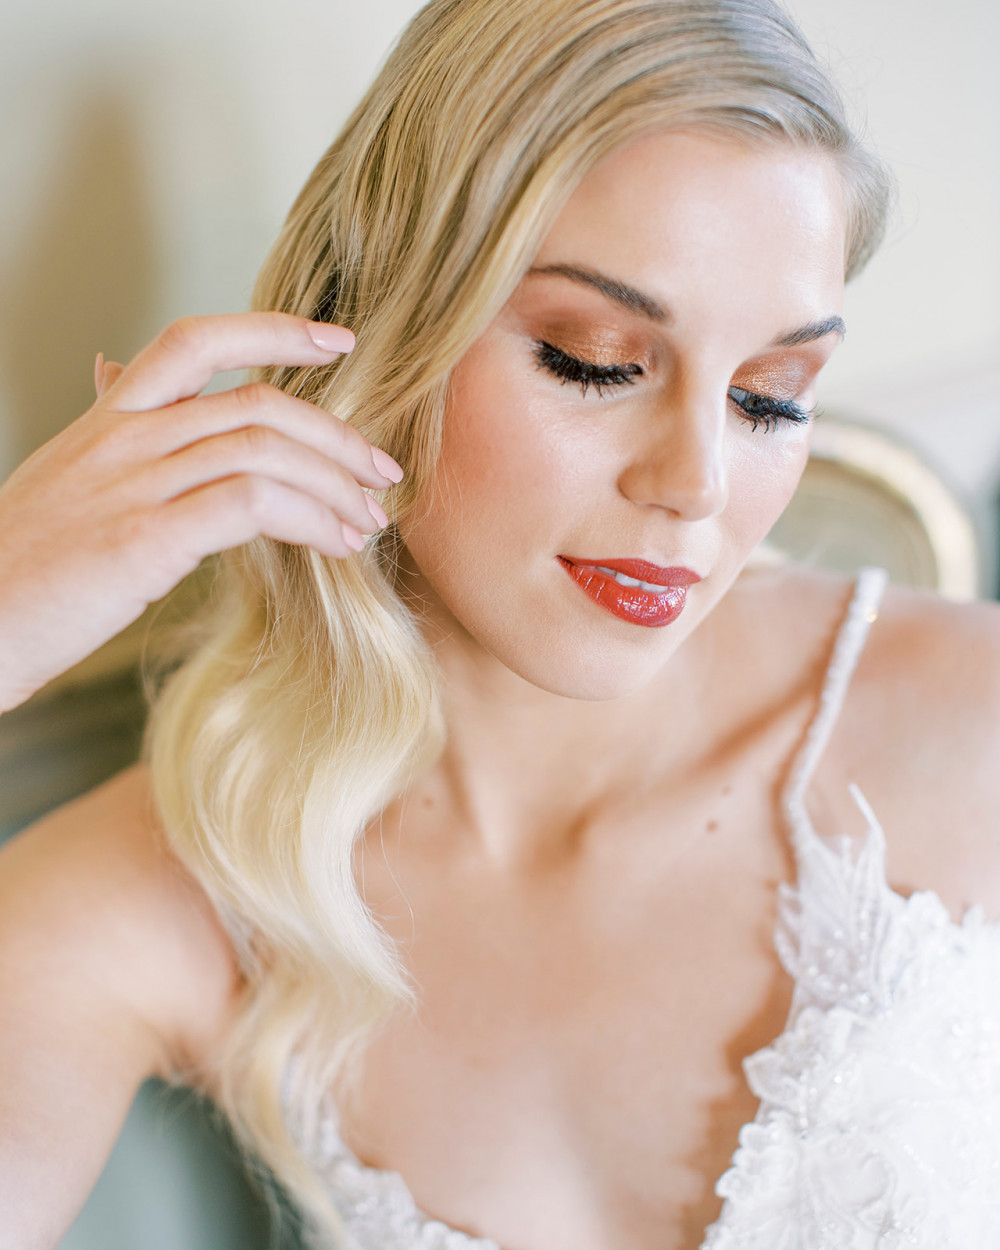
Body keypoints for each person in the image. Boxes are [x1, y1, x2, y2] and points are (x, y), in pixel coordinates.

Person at [2, 0, 1000, 1247]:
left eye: (766, 396)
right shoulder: (178, 888)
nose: (693, 481)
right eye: (592, 361)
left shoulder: (978, 729)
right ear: (381, 330)